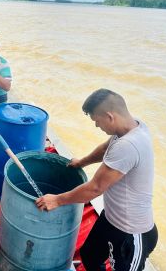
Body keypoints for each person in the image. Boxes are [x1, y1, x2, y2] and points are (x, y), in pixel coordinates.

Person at [36, 89, 158, 271]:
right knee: (89, 255)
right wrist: (82, 163)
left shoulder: (129, 145)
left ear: (110, 116)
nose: (96, 126)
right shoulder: (133, 127)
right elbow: (105, 149)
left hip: (130, 233)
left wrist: (57, 199)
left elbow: (95, 188)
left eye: (97, 122)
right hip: (112, 218)